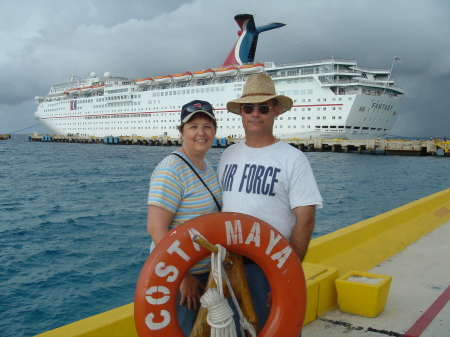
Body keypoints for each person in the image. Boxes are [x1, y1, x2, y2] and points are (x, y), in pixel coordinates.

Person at [217, 73, 323, 333]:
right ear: (240, 113)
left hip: (271, 269)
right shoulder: (228, 155)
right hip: (230, 266)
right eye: (248, 108)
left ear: (275, 111)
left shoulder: (293, 159)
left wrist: (286, 277)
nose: (255, 113)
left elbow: (305, 219)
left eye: (263, 108)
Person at [147, 100, 222, 336]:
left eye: (207, 126)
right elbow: (156, 230)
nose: (201, 132)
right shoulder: (171, 171)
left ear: (215, 131)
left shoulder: (207, 167)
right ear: (181, 132)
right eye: (193, 127)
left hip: (206, 273)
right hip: (178, 276)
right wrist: (182, 277)